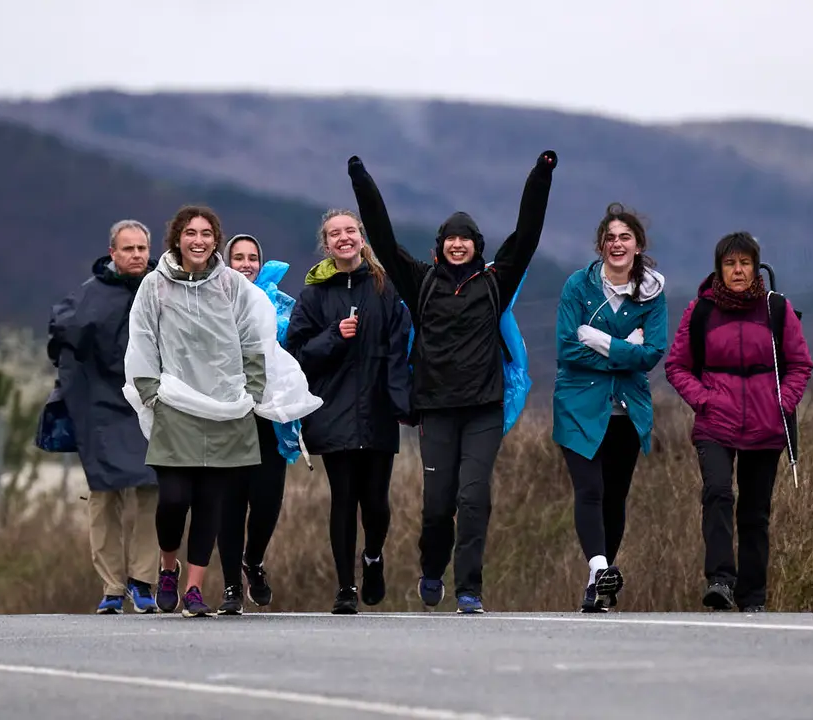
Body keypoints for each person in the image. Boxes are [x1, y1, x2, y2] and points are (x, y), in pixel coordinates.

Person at [347, 150, 557, 613]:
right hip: (436, 410)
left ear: (477, 245)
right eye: (451, 239)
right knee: (438, 505)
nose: (458, 245)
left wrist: (541, 174)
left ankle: (469, 589)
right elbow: (381, 237)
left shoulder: (495, 282)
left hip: (483, 408)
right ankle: (431, 569)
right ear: (439, 245)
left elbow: (527, 234)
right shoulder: (419, 281)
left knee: (474, 497)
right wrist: (361, 180)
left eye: (466, 239)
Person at [124, 205, 270, 618]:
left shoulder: (231, 285)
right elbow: (141, 335)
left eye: (207, 233)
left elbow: (252, 336)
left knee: (211, 503)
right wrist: (149, 388)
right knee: (173, 499)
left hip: (227, 408)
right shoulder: (155, 285)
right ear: (177, 238)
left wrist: (252, 390)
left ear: (215, 239)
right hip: (175, 404)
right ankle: (167, 568)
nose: (199, 240)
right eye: (191, 233)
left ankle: (192, 590)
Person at [664, 231, 813, 612]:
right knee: (717, 493)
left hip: (766, 425)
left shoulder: (776, 309)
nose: (738, 270)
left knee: (755, 510)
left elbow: (799, 364)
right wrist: (703, 400)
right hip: (716, 422)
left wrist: (784, 401)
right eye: (730, 264)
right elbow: (677, 366)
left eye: (744, 262)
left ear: (756, 266)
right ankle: (720, 581)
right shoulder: (701, 311)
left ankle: (752, 596)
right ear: (719, 269)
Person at [285, 210, 413, 615]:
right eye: (335, 234)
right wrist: (333, 337)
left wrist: (402, 402)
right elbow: (297, 356)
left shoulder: (385, 288)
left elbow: (399, 349)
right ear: (326, 245)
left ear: (362, 238)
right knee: (343, 499)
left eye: (350, 231)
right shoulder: (313, 295)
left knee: (375, 501)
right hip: (333, 409)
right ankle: (345, 587)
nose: (344, 238)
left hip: (377, 408)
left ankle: (372, 557)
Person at [553, 204, 667, 613]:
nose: (617, 244)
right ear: (600, 245)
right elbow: (567, 348)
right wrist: (626, 348)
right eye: (610, 238)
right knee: (590, 489)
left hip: (627, 408)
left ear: (638, 245)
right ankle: (601, 568)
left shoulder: (652, 292)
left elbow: (652, 353)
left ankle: (596, 586)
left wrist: (598, 340)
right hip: (578, 404)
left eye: (625, 237)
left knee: (615, 496)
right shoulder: (577, 287)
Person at [42, 219, 160, 614]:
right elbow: (61, 340)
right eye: (128, 249)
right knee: (104, 495)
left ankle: (143, 581)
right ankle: (112, 586)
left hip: (148, 405)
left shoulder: (162, 289)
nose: (137, 256)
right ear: (112, 253)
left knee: (150, 490)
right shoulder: (88, 298)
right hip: (102, 410)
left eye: (142, 248)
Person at [215, 233, 297, 614]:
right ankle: (231, 584)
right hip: (226, 416)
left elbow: (298, 351)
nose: (245, 263)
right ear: (226, 262)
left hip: (269, 419)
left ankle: (254, 560)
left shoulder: (282, 304)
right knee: (229, 503)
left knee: (266, 502)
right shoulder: (211, 302)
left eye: (252, 257)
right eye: (238, 257)